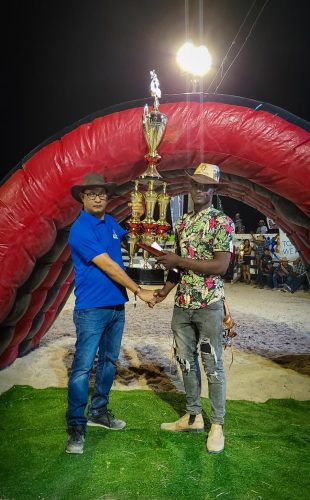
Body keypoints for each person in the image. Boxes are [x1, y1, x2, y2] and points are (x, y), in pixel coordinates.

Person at [66, 172, 154, 454]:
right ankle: (76, 426)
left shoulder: (112, 223)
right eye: (91, 193)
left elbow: (136, 238)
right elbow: (110, 266)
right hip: (91, 309)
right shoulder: (81, 228)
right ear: (82, 197)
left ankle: (98, 411)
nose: (97, 197)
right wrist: (140, 290)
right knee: (82, 368)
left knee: (108, 363)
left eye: (102, 193)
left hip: (116, 306)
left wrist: (143, 215)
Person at [151, 163, 235, 454]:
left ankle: (218, 425)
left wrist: (179, 262)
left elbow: (220, 266)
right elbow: (175, 267)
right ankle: (193, 417)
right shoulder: (183, 222)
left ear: (213, 190)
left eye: (205, 185)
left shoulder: (222, 222)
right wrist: (163, 292)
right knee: (185, 362)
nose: (199, 189)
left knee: (212, 366)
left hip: (209, 304)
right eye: (195, 184)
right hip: (183, 305)